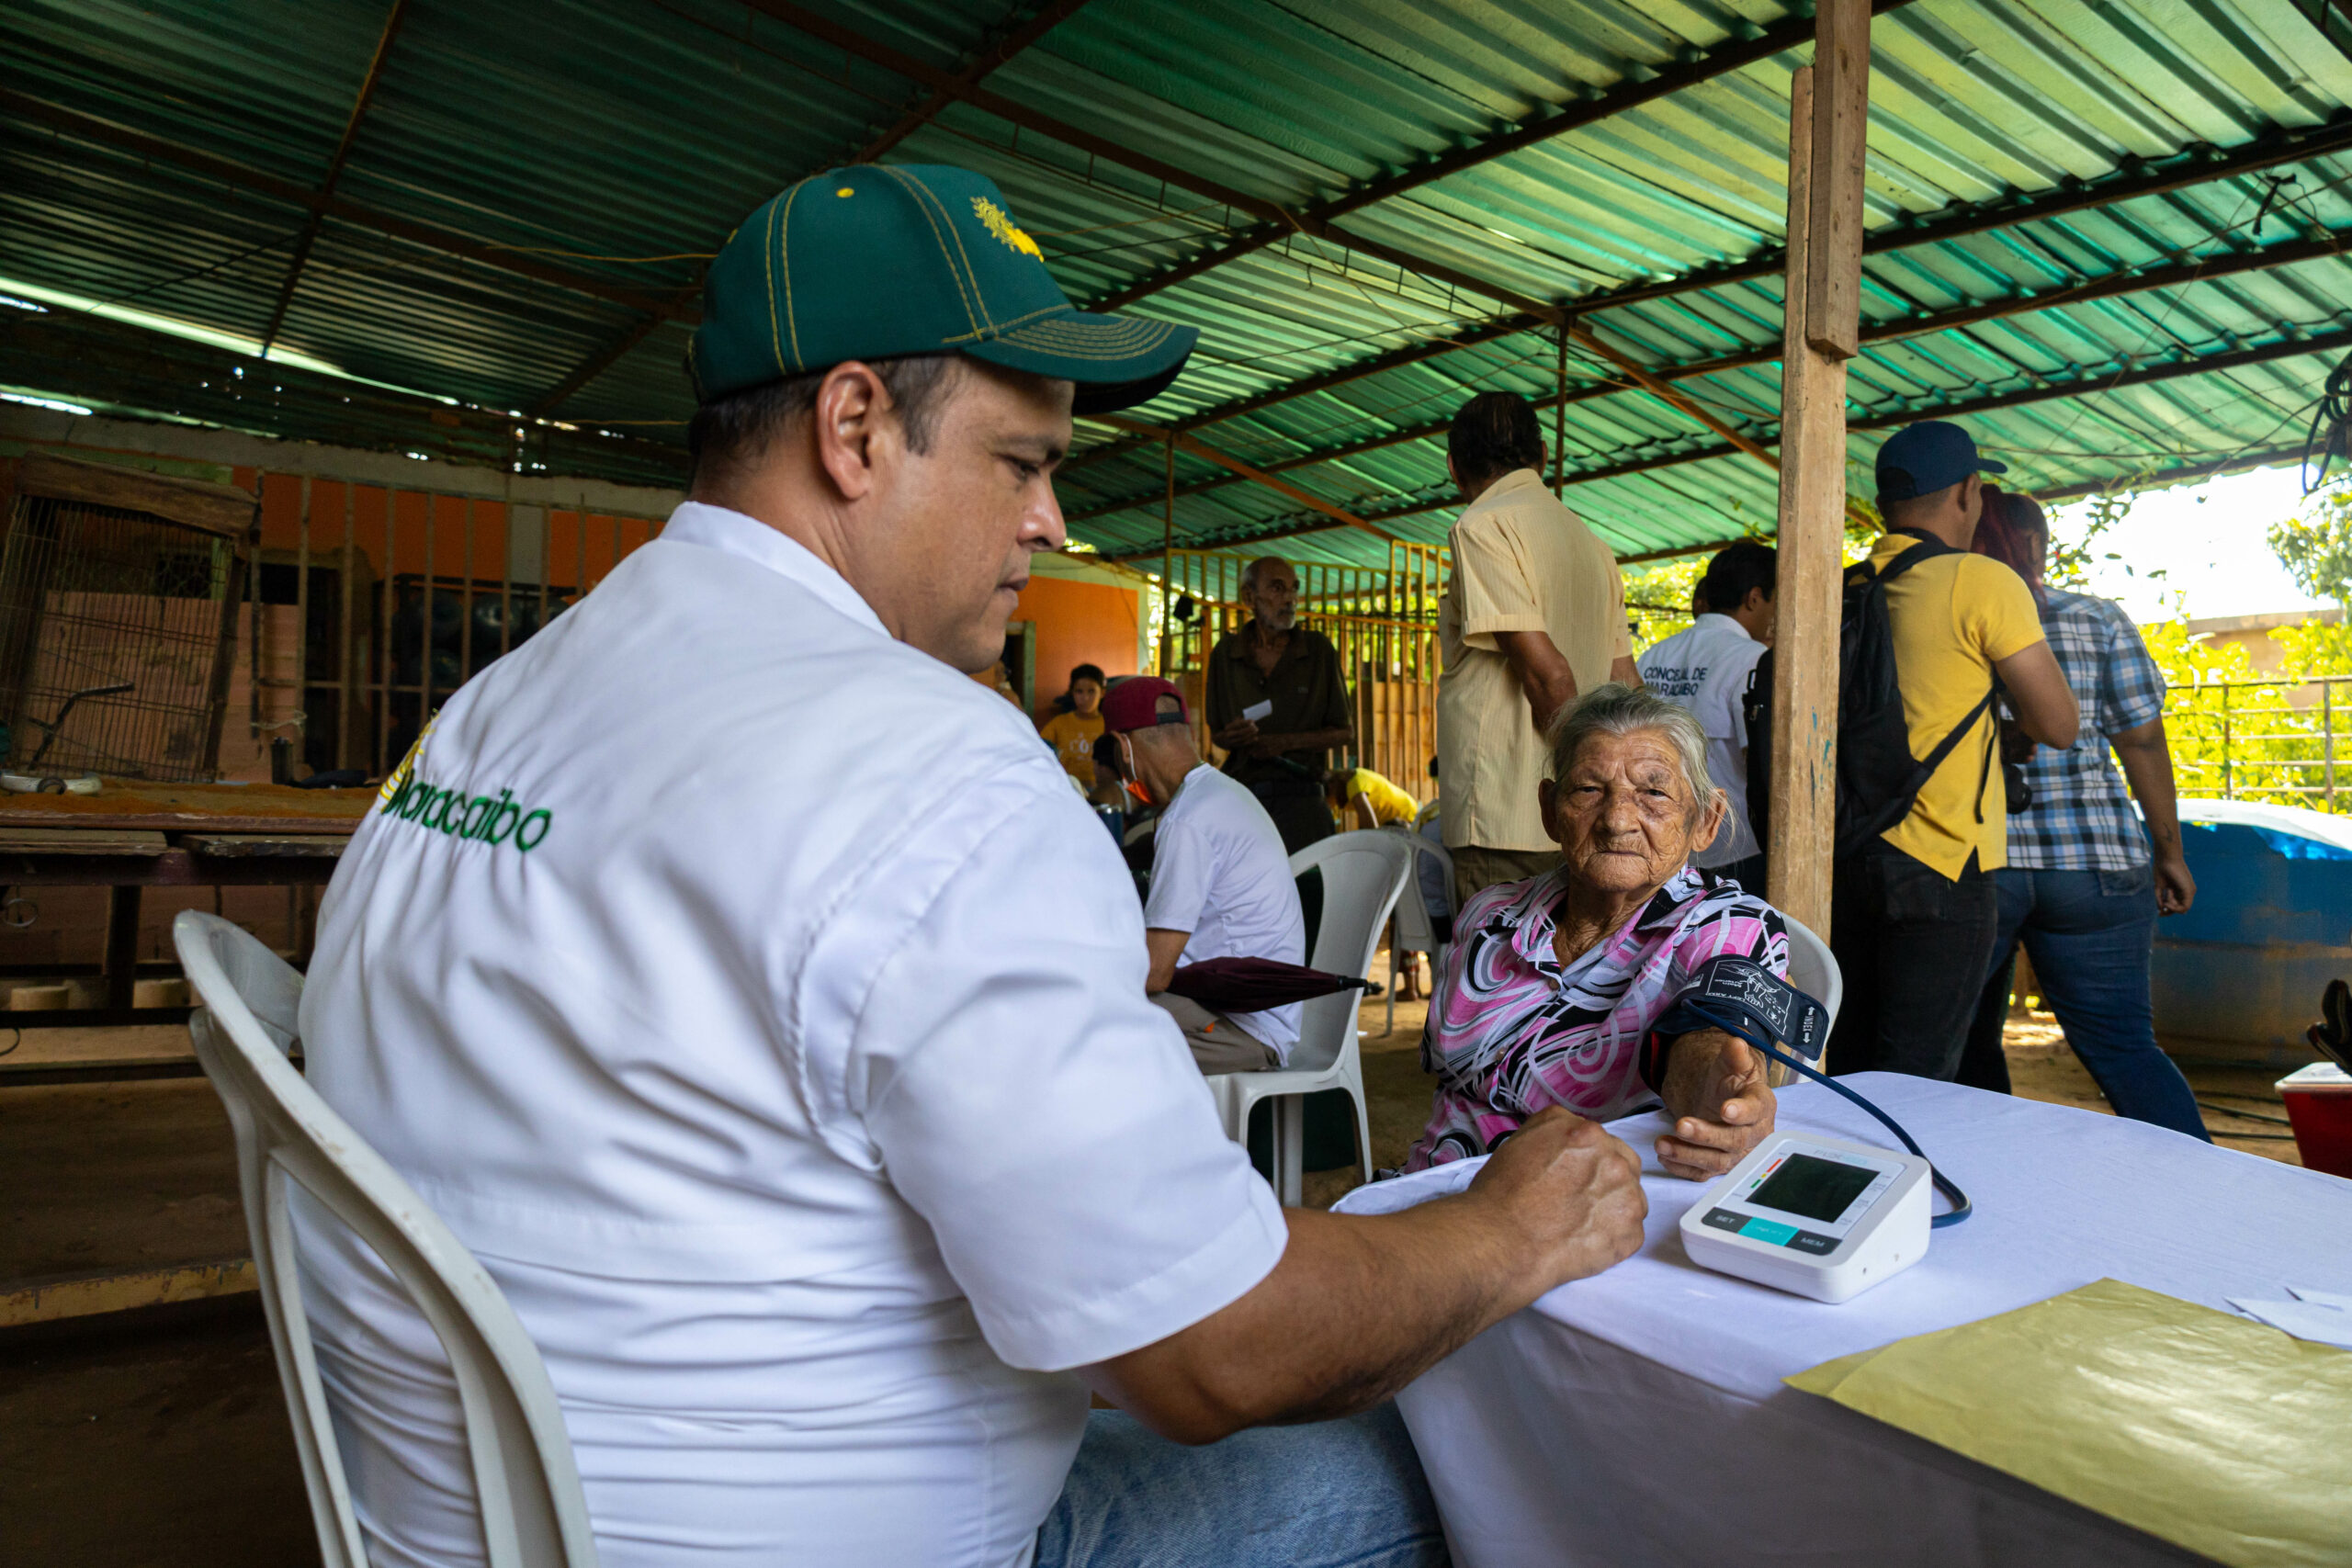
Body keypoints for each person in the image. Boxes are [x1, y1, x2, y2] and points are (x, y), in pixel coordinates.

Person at [290, 164, 1652, 1568]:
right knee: (1448, 1456)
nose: (1052, 520)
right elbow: (1221, 1349)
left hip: (467, 1520)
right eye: (1023, 461)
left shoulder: (497, 707)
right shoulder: (932, 763)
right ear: (856, 428)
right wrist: (1505, 1232)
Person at [1409, 683, 1784, 1175]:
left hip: (1580, 1199)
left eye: (1653, 793)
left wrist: (1717, 1087)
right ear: (1550, 809)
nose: (1617, 820)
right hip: (1433, 1181)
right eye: (1588, 790)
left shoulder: (1729, 926)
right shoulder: (1493, 913)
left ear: (1705, 821)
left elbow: (1711, 1035)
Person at [1829, 422, 2080, 1081]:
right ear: (1969, 492)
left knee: (1849, 1066)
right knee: (1919, 1077)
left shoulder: (1845, 587)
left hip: (1846, 859)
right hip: (1942, 863)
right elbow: (2059, 723)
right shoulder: (1981, 580)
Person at [1955, 491, 2208, 1138]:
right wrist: (2170, 852)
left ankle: (1982, 1173)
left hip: (1980, 863)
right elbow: (2142, 741)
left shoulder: (1946, 612)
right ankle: (2207, 1178)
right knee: (2125, 1048)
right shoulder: (2097, 619)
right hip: (2096, 864)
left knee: (1961, 1046)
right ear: (2039, 546)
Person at [1436, 391, 1641, 907]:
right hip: (1584, 816)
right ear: (1543, 456)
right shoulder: (1594, 546)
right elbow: (1627, 685)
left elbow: (1549, 678)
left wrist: (1575, 780)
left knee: (1496, 955)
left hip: (1506, 815)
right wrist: (1606, 796)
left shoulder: (1482, 526)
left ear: (1455, 468)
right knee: (1575, 957)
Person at [1104, 675, 1307, 1075]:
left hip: (1242, 1030)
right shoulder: (1219, 793)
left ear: (1122, 747)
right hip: (1251, 1016)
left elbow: (1153, 972)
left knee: (1079, 1032)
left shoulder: (1188, 819)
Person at [1635, 540, 1775, 890]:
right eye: (1776, 600)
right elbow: (1762, 762)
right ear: (1754, 598)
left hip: (1657, 844)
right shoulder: (1754, 659)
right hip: (1734, 849)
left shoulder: (1654, 656)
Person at [1204, 556, 1355, 855]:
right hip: (1244, 797)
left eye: (1293, 589)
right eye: (1277, 588)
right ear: (1249, 597)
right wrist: (1232, 736)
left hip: (1303, 798)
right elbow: (1218, 735)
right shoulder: (1226, 654)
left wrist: (1284, 743)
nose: (1290, 599)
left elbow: (1344, 732)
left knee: (1309, 878)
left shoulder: (1317, 651)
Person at [1039, 662, 1106, 784]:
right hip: (1066, 787)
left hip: (1101, 789)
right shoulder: (1059, 723)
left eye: (1091, 691)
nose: (1085, 698)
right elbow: (1040, 750)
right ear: (1072, 693)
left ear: (1102, 692)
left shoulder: (1109, 725)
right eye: (1079, 691)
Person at [1327, 763, 1419, 831]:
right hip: (1390, 819)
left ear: (1333, 785)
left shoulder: (1355, 784)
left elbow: (1369, 827)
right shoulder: (1341, 790)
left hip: (1404, 815)